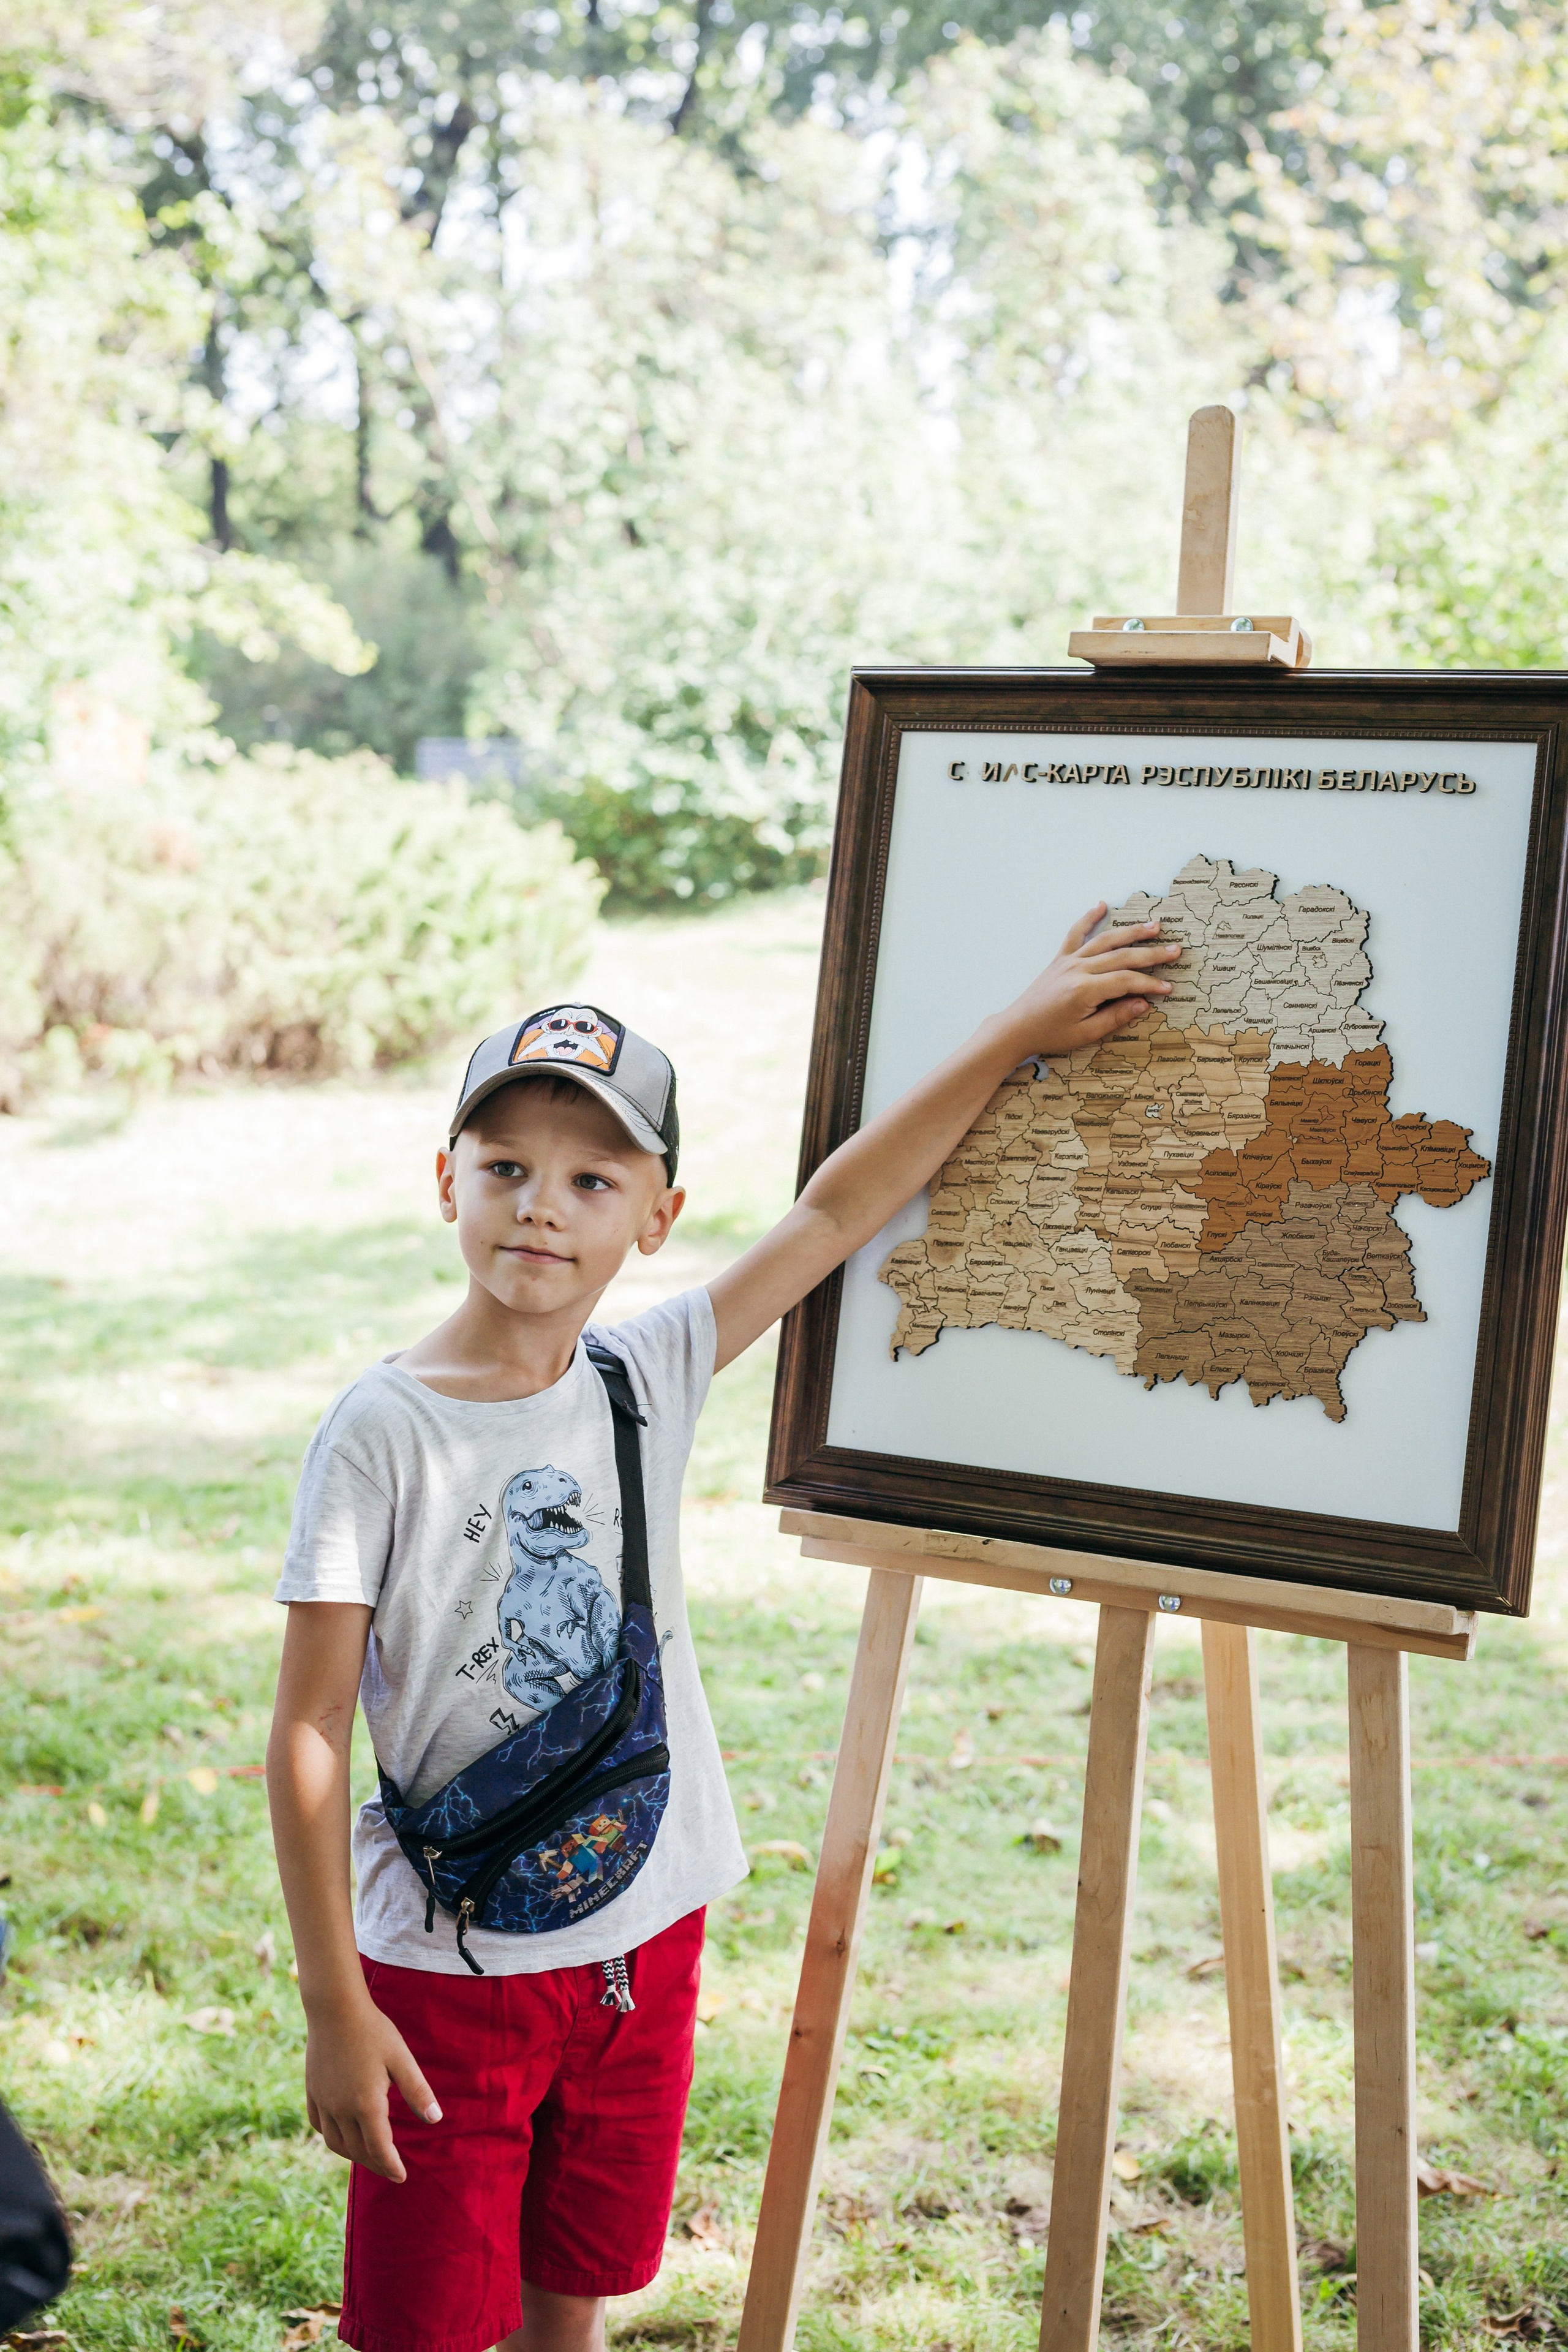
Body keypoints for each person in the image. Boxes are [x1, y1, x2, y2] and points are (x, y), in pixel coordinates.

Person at [266, 907, 1178, 2352]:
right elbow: (311, 1723)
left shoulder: (648, 1371)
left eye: (589, 1177)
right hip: (451, 1976)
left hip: (647, 1935)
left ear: (656, 1217)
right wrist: (332, 2006)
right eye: (503, 1169)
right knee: (430, 2322)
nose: (540, 1208)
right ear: (447, 1181)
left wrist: (1016, 1032)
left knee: (575, 2282)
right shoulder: (383, 1431)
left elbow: (830, 1214)